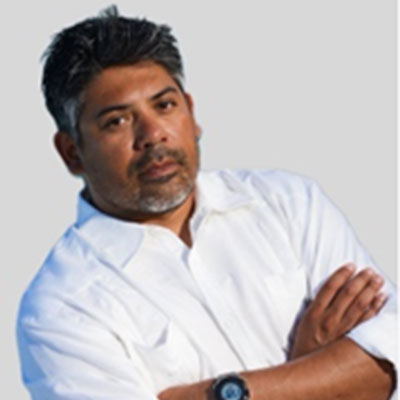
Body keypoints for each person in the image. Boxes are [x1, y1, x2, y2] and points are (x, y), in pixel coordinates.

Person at [17, 6, 397, 400]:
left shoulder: (290, 204)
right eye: (118, 121)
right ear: (71, 152)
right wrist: (322, 372)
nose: (153, 135)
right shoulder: (60, 308)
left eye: (164, 105)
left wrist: (218, 394)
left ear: (192, 112)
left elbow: (390, 360)